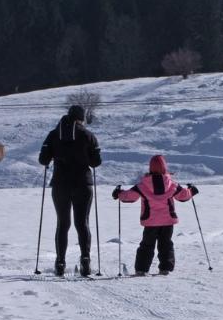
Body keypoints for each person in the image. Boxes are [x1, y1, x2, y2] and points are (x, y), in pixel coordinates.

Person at [38, 105, 102, 277]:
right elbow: (96, 162)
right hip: (83, 184)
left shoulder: (54, 134)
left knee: (63, 223)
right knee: (82, 223)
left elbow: (43, 159)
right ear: (80, 119)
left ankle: (60, 262)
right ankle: (85, 260)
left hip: (60, 185)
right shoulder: (88, 135)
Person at [112, 155, 196, 276]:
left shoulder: (143, 185)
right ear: (164, 168)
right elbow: (184, 196)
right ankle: (165, 268)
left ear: (150, 168)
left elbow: (129, 197)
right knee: (166, 244)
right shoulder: (172, 184)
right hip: (168, 221)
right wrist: (192, 190)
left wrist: (118, 193)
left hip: (150, 221)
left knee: (147, 245)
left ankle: (142, 269)